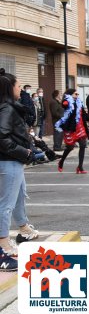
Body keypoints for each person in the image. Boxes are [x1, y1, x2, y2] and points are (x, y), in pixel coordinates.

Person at [0, 68, 39, 259]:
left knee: (18, 196)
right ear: (9, 88)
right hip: (9, 161)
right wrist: (24, 152)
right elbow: (2, 138)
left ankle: (23, 228)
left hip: (13, 160)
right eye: (17, 85)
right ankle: (3, 243)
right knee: (6, 203)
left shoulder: (9, 107)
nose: (20, 89)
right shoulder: (6, 108)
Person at [55, 89, 88, 174]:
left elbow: (84, 115)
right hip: (71, 128)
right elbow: (64, 105)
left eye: (78, 94)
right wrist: (66, 102)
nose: (77, 95)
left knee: (83, 145)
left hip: (80, 127)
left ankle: (80, 167)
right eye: (75, 94)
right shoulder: (68, 101)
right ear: (70, 95)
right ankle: (61, 161)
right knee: (70, 147)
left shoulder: (79, 102)